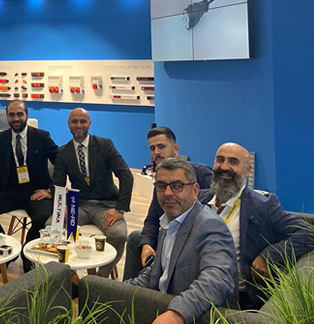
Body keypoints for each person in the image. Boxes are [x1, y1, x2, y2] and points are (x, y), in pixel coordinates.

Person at [199, 142, 313, 309]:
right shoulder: (198, 200)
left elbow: (307, 233)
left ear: (248, 171)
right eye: (220, 160)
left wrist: (268, 256)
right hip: (195, 290)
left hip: (235, 301)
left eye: (233, 162)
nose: (224, 167)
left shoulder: (262, 206)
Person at [124, 158, 237, 324]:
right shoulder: (168, 221)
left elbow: (218, 278)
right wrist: (119, 291)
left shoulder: (210, 225)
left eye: (177, 186)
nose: (168, 193)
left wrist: (177, 314)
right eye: (161, 186)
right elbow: (159, 272)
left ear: (195, 191)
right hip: (159, 306)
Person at [0, 100, 58, 272]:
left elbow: (62, 164)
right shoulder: (1, 138)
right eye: (11, 115)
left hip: (36, 192)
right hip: (9, 191)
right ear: (7, 116)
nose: (16, 118)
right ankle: (7, 248)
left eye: (20, 114)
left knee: (42, 217)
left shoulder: (42, 136)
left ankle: (27, 255)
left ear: (27, 115)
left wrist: (50, 191)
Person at [52, 108, 133, 278]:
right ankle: (72, 276)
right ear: (68, 124)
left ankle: (99, 278)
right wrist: (61, 207)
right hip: (78, 205)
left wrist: (120, 209)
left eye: (83, 121)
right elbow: (58, 184)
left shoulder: (105, 145)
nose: (79, 125)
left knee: (119, 236)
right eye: (74, 121)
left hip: (106, 205)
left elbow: (126, 175)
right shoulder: (63, 152)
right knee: (52, 228)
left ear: (89, 123)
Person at [123, 126, 213, 280]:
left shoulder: (202, 175)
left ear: (175, 148)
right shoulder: (161, 180)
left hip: (192, 244)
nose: (157, 152)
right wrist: (147, 244)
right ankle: (126, 291)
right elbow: (152, 219)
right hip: (167, 237)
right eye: (152, 148)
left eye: (161, 146)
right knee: (135, 238)